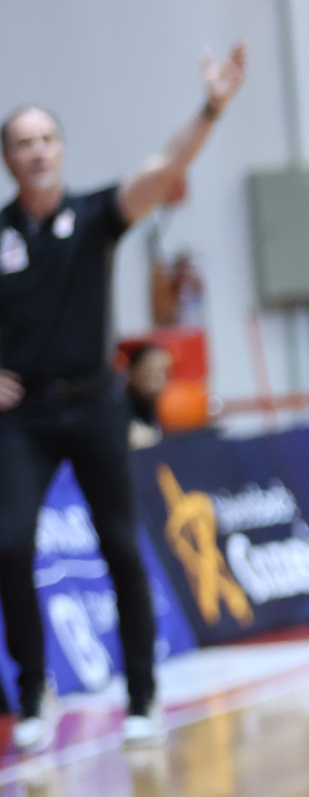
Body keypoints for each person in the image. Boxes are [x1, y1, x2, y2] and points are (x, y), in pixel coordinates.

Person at [0, 45, 246, 749]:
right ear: (9, 159)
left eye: (47, 139)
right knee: (10, 545)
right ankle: (33, 694)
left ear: (61, 150)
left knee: (119, 545)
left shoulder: (95, 217)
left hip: (94, 404)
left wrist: (211, 108)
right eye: (24, 143)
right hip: (23, 418)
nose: (38, 151)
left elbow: (165, 168)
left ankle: (142, 693)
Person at [123, 342, 172, 450]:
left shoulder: (161, 412)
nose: (159, 379)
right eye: (150, 371)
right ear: (133, 370)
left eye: (165, 372)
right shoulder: (116, 410)